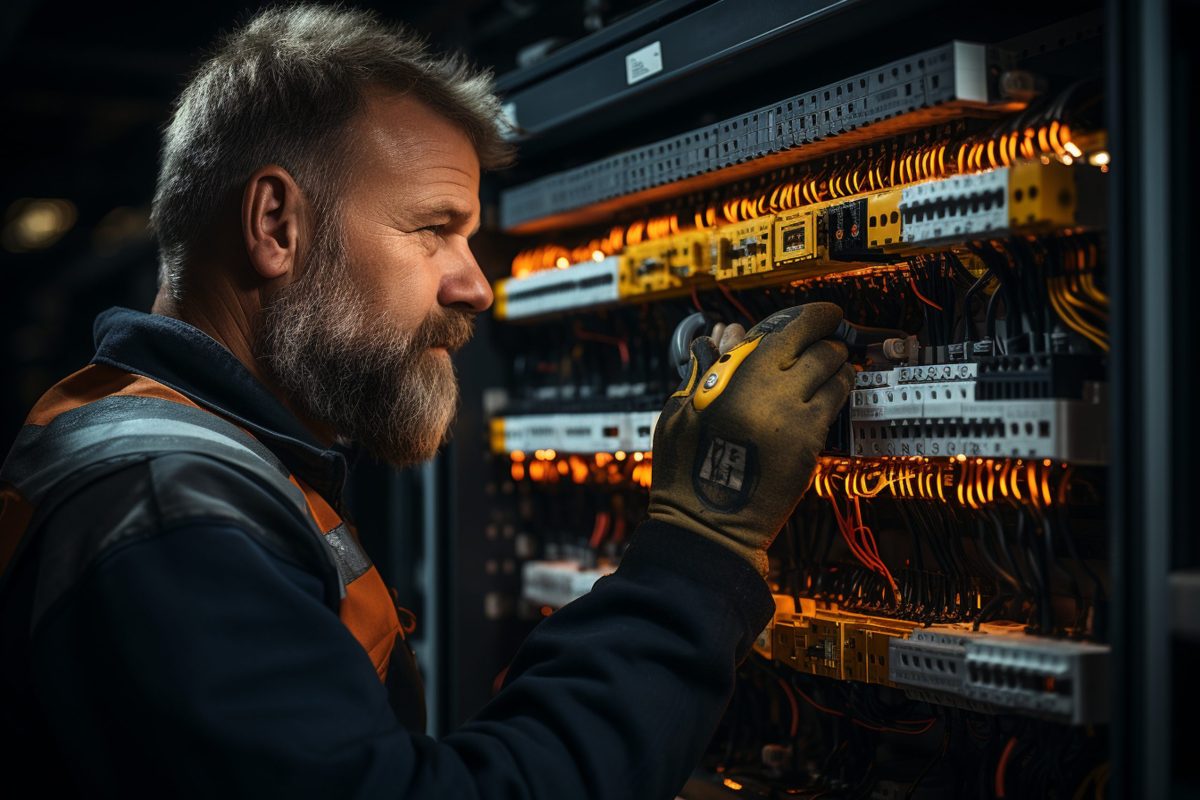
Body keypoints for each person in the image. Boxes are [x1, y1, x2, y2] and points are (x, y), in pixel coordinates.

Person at [0, 5, 853, 797]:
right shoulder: (170, 516)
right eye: (433, 228)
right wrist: (701, 544)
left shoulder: (154, 441)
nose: (477, 285)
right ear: (276, 226)